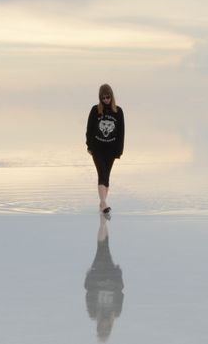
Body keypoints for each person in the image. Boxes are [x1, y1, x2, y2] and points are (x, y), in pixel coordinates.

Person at [84, 214, 124, 342]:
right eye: (105, 329)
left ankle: (104, 218)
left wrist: (90, 276)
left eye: (101, 329)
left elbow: (88, 293)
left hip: (98, 275)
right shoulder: (115, 313)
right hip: (110, 276)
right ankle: (103, 218)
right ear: (108, 328)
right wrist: (118, 274)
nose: (103, 326)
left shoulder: (94, 313)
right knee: (103, 247)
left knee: (103, 247)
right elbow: (120, 293)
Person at [86, 84, 124, 214]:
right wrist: (89, 146)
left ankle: (102, 203)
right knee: (101, 174)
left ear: (111, 96)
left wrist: (119, 151)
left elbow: (121, 132)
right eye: (103, 98)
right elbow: (89, 129)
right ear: (100, 98)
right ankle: (103, 203)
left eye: (108, 97)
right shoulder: (95, 110)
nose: (106, 100)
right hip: (97, 149)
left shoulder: (118, 111)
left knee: (106, 176)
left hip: (111, 150)